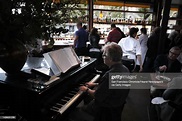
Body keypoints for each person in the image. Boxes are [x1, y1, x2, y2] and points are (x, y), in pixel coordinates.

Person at [79, 42, 130, 121]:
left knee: (74, 112)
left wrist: (86, 89)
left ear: (110, 58)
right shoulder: (125, 69)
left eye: (104, 55)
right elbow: (111, 85)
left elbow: (97, 96)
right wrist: (95, 83)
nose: (103, 57)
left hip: (105, 110)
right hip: (117, 107)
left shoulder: (109, 75)